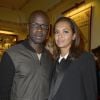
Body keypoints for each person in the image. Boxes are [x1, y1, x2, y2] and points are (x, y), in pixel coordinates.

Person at [0, 10, 54, 100]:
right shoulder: (11, 55)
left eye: (44, 26)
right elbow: (3, 93)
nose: (40, 29)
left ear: (48, 31)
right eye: (35, 25)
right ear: (28, 28)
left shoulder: (49, 57)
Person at [48, 17, 97, 100]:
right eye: (57, 32)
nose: (60, 35)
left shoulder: (85, 59)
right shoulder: (54, 61)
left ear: (74, 36)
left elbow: (91, 93)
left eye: (65, 31)